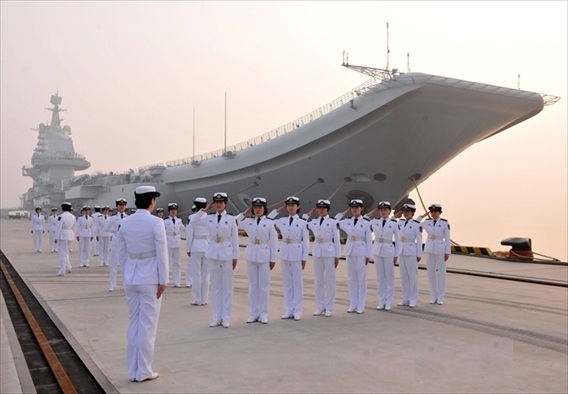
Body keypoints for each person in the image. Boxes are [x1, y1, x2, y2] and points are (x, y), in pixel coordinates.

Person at [115, 185, 168, 383]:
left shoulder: (125, 222)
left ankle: (133, 370)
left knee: (134, 324)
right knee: (148, 326)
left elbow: (120, 251)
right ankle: (144, 370)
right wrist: (163, 280)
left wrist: (125, 275)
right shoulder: (156, 222)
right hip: (150, 278)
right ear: (152, 201)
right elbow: (161, 252)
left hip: (131, 276)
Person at [192, 193, 239, 328]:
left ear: (225, 204)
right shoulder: (208, 218)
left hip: (227, 254)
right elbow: (193, 221)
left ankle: (226, 318)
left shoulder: (231, 219)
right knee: (216, 287)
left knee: (227, 287)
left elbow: (235, 240)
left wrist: (235, 257)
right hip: (212, 253)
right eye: (216, 202)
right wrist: (205, 210)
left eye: (221, 202)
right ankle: (216, 317)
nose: (218, 204)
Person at [236, 197, 278, 324]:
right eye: (255, 207)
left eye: (260, 207)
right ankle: (253, 313)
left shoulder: (270, 223)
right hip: (251, 255)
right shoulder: (248, 221)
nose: (257, 210)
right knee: (253, 286)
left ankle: (263, 314)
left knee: (264, 286)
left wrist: (273, 259)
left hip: (264, 255)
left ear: (264, 209)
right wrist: (244, 213)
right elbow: (236, 222)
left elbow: (274, 242)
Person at [268, 196, 309, 321]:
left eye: (293, 205)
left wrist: (304, 258)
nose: (291, 207)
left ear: (298, 207)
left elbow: (306, 242)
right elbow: (269, 219)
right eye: (289, 205)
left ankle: (297, 310)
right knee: (287, 284)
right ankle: (288, 309)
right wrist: (277, 211)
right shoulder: (282, 221)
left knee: (297, 283)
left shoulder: (303, 223)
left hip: (297, 253)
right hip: (285, 253)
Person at [304, 199, 340, 317]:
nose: (321, 210)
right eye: (319, 208)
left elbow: (337, 240)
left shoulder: (333, 222)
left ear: (328, 209)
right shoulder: (313, 222)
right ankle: (320, 306)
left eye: (323, 208)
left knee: (329, 281)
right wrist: (309, 214)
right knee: (318, 281)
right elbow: (302, 222)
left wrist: (337, 256)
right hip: (317, 252)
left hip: (329, 252)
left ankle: (329, 307)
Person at [336, 199, 372, 314]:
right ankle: (353, 304)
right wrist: (343, 213)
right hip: (350, 251)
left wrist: (368, 255)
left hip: (361, 252)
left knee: (361, 280)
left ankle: (361, 305)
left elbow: (368, 240)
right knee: (352, 279)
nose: (355, 209)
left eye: (357, 207)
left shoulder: (366, 223)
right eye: (352, 207)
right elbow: (335, 222)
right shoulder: (346, 222)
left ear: (361, 208)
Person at [367, 201, 401, 311]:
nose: (383, 212)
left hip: (388, 250)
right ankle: (381, 301)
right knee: (380, 278)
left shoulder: (394, 223)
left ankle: (388, 301)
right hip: (377, 250)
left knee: (389, 277)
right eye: (381, 210)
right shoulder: (374, 222)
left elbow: (398, 241)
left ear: (389, 211)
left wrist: (396, 254)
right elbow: (363, 220)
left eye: (385, 210)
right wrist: (371, 214)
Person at [419, 203, 451, 305]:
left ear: (440, 213)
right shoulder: (427, 222)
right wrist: (421, 216)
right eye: (432, 212)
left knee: (441, 274)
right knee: (431, 274)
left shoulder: (444, 223)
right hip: (429, 249)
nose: (433, 214)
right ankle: (433, 297)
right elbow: (416, 224)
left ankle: (440, 297)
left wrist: (447, 252)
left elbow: (447, 238)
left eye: (435, 212)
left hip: (440, 249)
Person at [395, 204, 422, 308]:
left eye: (408, 211)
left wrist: (419, 253)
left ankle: (413, 299)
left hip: (411, 251)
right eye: (404, 211)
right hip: (402, 251)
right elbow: (391, 221)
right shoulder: (400, 223)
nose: (405, 213)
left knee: (412, 277)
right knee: (404, 277)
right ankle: (404, 298)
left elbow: (419, 240)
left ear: (412, 213)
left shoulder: (416, 224)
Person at [185, 198, 209, 306]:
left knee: (196, 274)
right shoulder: (208, 218)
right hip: (207, 246)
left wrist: (188, 248)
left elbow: (189, 234)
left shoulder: (192, 217)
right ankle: (204, 299)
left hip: (196, 246)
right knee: (206, 275)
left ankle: (197, 299)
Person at [103, 197, 128, 292]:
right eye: (120, 205)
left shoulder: (128, 217)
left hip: (125, 243)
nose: (121, 207)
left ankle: (125, 284)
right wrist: (116, 231)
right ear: (117, 207)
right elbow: (105, 228)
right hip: (116, 242)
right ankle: (112, 285)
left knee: (124, 265)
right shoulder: (113, 218)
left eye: (123, 205)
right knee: (113, 264)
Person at [164, 203, 184, 288]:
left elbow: (183, 229)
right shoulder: (165, 221)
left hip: (177, 242)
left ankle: (177, 282)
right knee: (167, 263)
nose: (173, 212)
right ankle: (165, 280)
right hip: (168, 242)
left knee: (177, 263)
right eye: (172, 210)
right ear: (169, 211)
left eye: (175, 210)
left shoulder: (179, 220)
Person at [55, 202, 76, 276]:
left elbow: (58, 227)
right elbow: (74, 227)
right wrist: (73, 235)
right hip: (70, 234)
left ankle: (62, 270)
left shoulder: (61, 216)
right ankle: (68, 267)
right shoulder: (73, 217)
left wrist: (56, 237)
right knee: (66, 252)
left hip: (63, 235)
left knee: (62, 253)